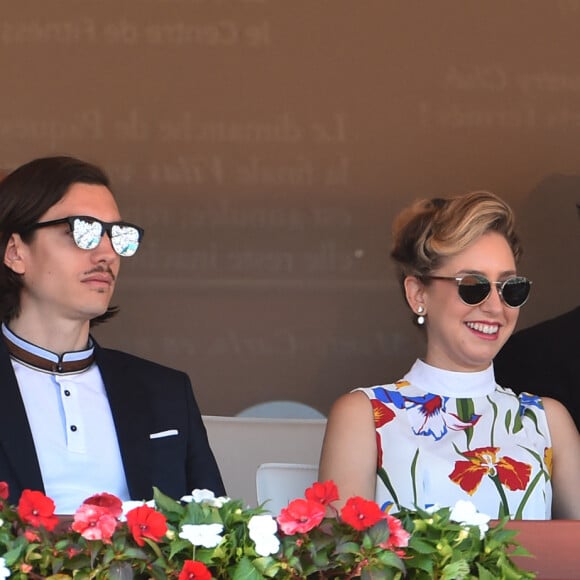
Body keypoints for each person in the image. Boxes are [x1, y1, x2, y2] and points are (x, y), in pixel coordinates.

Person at [319, 191, 580, 520]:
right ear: (418, 294)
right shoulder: (364, 415)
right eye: (473, 285)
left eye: (510, 288)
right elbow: (343, 565)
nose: (495, 307)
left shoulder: (547, 420)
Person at [0, 155, 225, 513]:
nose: (107, 253)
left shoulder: (165, 393)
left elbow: (212, 534)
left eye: (117, 235)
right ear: (15, 252)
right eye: (82, 230)